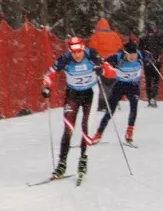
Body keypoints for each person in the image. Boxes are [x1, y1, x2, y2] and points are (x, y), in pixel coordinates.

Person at [42, 36, 116, 178]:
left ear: (83, 48)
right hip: (73, 95)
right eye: (73, 52)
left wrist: (103, 71)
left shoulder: (92, 55)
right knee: (68, 129)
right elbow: (49, 74)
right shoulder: (65, 59)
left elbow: (112, 72)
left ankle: (83, 159)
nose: (77, 55)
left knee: (85, 127)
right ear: (70, 51)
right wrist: (46, 86)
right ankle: (62, 164)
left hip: (90, 94)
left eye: (79, 51)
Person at [92, 42, 145, 147]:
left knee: (134, 108)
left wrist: (151, 58)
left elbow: (149, 55)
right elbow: (103, 62)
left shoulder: (141, 56)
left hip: (133, 86)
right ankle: (98, 134)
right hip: (120, 85)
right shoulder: (117, 58)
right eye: (130, 55)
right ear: (125, 53)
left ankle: (129, 133)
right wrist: (100, 68)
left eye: (134, 54)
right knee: (110, 111)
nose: (132, 57)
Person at [88, 18, 124, 111]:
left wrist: (96, 60)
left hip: (101, 61)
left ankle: (102, 103)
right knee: (112, 81)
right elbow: (121, 48)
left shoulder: (96, 36)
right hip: (113, 62)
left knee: (102, 83)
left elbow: (92, 50)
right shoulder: (115, 36)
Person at [138, 21, 163, 107]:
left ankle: (151, 98)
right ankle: (152, 98)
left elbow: (139, 50)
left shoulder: (147, 37)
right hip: (152, 61)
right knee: (154, 81)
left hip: (151, 62)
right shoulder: (158, 37)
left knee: (151, 81)